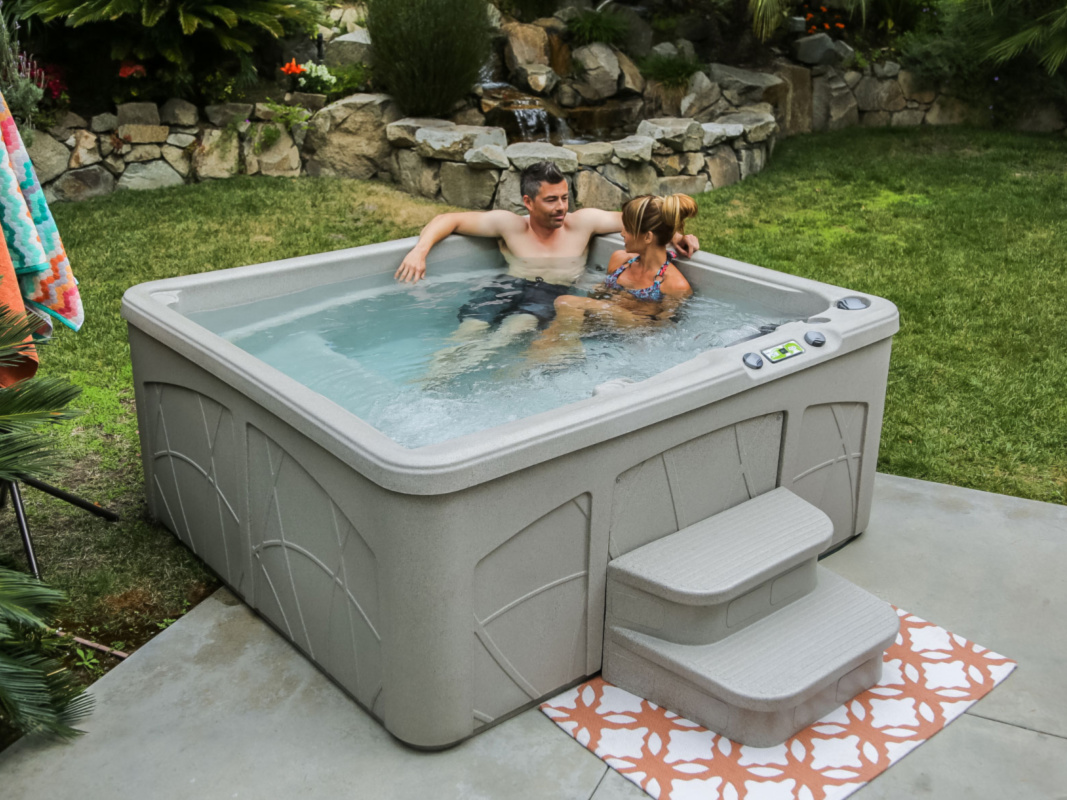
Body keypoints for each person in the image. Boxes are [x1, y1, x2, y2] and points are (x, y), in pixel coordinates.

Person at [394, 161, 698, 384]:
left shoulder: (583, 223)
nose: (561, 207)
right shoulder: (509, 225)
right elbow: (449, 219)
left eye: (565, 198)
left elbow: (643, 222)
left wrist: (678, 235)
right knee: (468, 331)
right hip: (506, 287)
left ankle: (463, 380)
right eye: (551, 200)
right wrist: (420, 251)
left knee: (510, 331)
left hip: (548, 295)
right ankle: (428, 379)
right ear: (528, 202)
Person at [525, 193, 697, 365]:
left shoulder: (675, 284)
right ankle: (530, 369)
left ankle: (570, 352)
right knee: (541, 343)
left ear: (648, 237)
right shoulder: (620, 260)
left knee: (566, 302)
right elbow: (598, 298)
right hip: (608, 318)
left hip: (638, 326)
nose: (622, 233)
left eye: (628, 229)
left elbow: (662, 331)